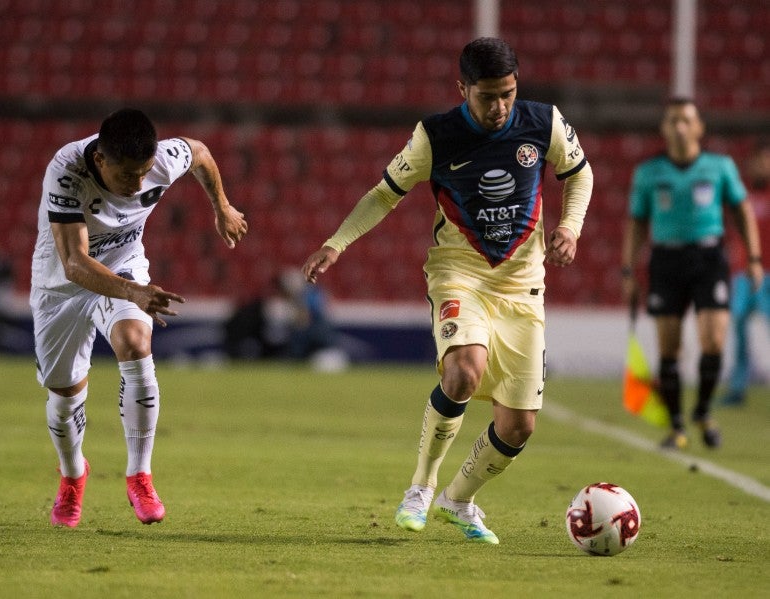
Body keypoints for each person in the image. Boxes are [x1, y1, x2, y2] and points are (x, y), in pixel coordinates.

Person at [302, 38, 592, 544]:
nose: (499, 107)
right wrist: (336, 243)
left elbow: (579, 175)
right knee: (463, 370)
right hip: (460, 273)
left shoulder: (543, 123)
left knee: (519, 424)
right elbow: (383, 195)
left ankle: (457, 500)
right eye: (487, 97)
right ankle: (421, 486)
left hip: (523, 285)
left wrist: (569, 227)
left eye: (507, 93)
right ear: (462, 90)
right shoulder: (434, 136)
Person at [31, 108, 247, 527]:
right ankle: (73, 475)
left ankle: (139, 474)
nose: (138, 184)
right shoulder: (67, 170)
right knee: (63, 398)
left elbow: (200, 152)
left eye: (145, 173)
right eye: (128, 175)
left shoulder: (161, 160)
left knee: (135, 343)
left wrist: (221, 206)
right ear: (100, 161)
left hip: (125, 268)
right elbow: (75, 263)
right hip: (62, 284)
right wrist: (133, 291)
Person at [621, 98, 763, 450]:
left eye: (686, 120)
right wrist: (628, 270)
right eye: (673, 121)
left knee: (713, 340)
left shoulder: (720, 167)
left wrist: (754, 258)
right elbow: (637, 222)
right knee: (670, 348)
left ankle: (702, 411)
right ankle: (677, 424)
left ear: (699, 127)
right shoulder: (649, 173)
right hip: (666, 261)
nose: (680, 127)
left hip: (708, 258)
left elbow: (742, 210)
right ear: (664, 129)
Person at [720, 140, 770, 406]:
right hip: (743, 275)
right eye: (757, 161)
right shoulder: (745, 196)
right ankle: (737, 387)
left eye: (765, 161)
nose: (760, 166)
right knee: (738, 327)